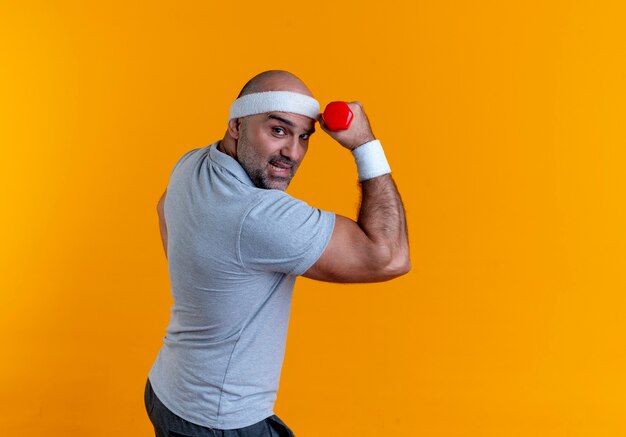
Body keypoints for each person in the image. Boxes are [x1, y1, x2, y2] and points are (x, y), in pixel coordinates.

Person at [144, 70, 410, 437]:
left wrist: (207, 284)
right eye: (278, 131)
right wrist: (364, 144)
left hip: (168, 390)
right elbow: (390, 257)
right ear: (236, 126)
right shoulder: (258, 216)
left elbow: (163, 207)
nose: (293, 153)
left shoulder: (193, 164)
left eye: (304, 137)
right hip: (220, 419)